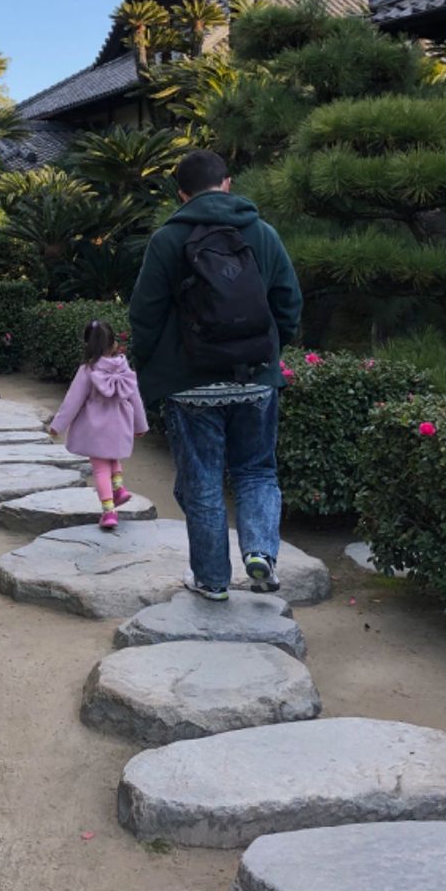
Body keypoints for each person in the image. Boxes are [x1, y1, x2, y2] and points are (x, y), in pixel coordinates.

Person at [129, 149, 302, 601]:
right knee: (257, 472)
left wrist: (145, 366)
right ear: (227, 183)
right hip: (255, 379)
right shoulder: (261, 233)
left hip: (190, 385)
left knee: (202, 482)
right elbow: (288, 301)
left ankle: (211, 580)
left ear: (182, 193)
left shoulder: (167, 240)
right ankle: (261, 553)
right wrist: (268, 352)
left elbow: (145, 314)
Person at [49, 319, 148, 530]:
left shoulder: (87, 370)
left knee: (100, 468)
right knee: (113, 456)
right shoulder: (124, 367)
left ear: (88, 344)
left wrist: (58, 425)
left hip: (95, 428)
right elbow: (135, 397)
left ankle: (109, 511)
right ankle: (119, 489)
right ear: (114, 345)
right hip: (120, 423)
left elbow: (72, 401)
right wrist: (140, 425)